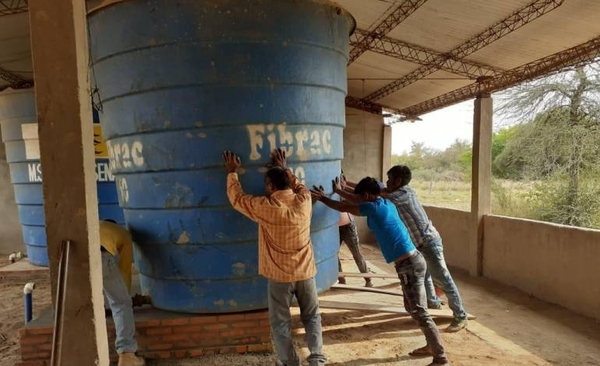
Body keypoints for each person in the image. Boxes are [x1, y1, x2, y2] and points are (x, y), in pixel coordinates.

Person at [312, 177, 450, 366]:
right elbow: (354, 201)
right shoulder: (384, 203)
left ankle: (440, 357)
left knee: (419, 311)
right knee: (412, 308)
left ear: (367, 195)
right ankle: (431, 346)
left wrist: (322, 198)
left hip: (409, 264)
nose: (358, 199)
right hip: (411, 262)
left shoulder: (372, 208)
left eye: (360, 196)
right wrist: (339, 189)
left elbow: (344, 206)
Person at [223, 148, 326, 366]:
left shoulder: (266, 207)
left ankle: (290, 362)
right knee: (312, 316)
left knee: (280, 322)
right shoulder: (305, 200)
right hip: (306, 272)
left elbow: (237, 199)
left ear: (270, 186)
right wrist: (285, 167)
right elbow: (299, 187)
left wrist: (232, 172)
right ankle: (317, 358)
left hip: (280, 276)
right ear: (288, 182)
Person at [384, 165, 468, 335]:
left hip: (429, 243)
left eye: (390, 179)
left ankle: (460, 316)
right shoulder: (405, 191)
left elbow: (374, 195)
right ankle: (433, 303)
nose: (387, 182)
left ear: (398, 181)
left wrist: (346, 190)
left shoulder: (401, 196)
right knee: (426, 277)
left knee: (443, 279)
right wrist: (348, 184)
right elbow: (377, 190)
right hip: (421, 244)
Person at [99, 219, 145, 366]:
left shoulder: (97, 223)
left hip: (76, 257)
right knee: (120, 303)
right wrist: (127, 296)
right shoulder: (124, 234)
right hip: (101, 254)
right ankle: (127, 356)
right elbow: (125, 269)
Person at [336, 171, 372, 287]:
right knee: (334, 256)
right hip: (334, 227)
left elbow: (356, 199)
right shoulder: (331, 189)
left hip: (347, 226)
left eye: (341, 177)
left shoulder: (345, 191)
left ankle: (368, 279)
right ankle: (341, 280)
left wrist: (342, 188)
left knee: (356, 254)